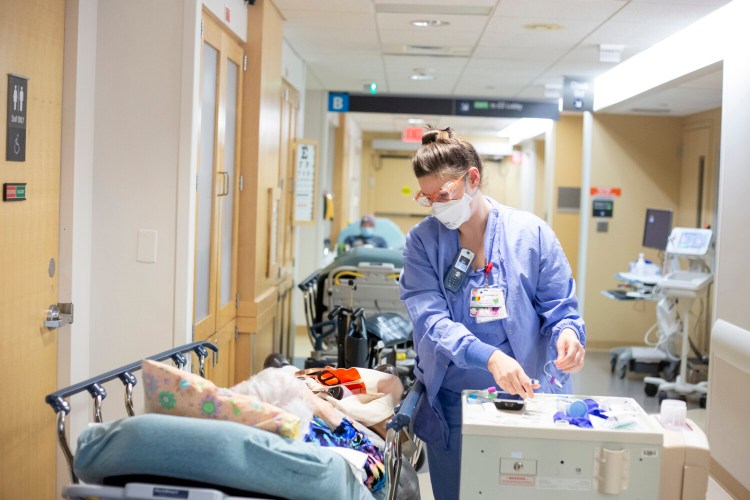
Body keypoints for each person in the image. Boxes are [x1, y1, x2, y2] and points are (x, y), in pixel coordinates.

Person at [399, 127, 586, 499]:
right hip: (454, 401)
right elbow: (431, 322)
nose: (437, 206)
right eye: (428, 198)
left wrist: (569, 334)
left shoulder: (530, 234)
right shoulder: (423, 242)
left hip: (529, 398)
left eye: (444, 195)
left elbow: (560, 307)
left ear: (472, 178)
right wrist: (490, 357)